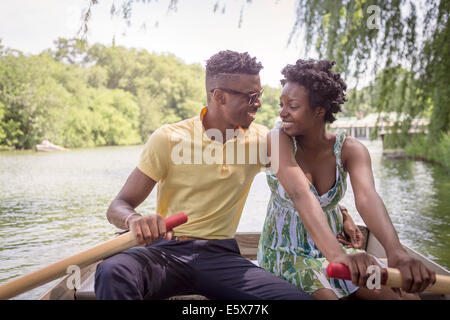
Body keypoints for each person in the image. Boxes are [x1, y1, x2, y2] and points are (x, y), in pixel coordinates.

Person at [94, 50, 318, 300]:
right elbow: (118, 206)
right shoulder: (169, 138)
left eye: (260, 95)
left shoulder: (263, 140)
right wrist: (133, 220)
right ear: (219, 96)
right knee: (112, 271)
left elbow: (300, 185)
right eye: (251, 96)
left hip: (221, 256)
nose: (259, 103)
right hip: (166, 253)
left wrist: (340, 212)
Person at [257, 59, 436, 300]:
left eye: (293, 105)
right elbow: (301, 194)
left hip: (334, 250)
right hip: (285, 254)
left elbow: (367, 198)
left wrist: (396, 252)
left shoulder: (350, 149)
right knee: (328, 297)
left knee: (403, 297)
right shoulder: (278, 139)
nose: (282, 112)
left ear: (319, 111)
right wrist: (338, 257)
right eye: (281, 104)